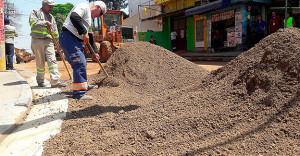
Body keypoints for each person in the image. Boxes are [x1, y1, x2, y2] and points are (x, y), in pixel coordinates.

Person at [59, 1, 106, 100]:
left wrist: (95, 52)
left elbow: (90, 37)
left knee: (82, 63)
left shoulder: (89, 20)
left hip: (75, 40)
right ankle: (79, 93)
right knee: (79, 63)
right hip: (69, 37)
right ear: (97, 7)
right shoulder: (83, 6)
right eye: (101, 13)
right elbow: (74, 17)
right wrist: (83, 31)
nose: (99, 16)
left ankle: (83, 84)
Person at [29, 0, 66, 88]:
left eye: (52, 6)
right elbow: (32, 23)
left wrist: (58, 44)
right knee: (40, 61)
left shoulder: (51, 17)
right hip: (37, 40)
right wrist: (44, 22)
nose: (51, 8)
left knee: (52, 60)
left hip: (49, 41)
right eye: (49, 6)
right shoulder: (35, 12)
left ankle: (55, 81)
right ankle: (41, 81)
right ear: (43, 4)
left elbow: (55, 31)